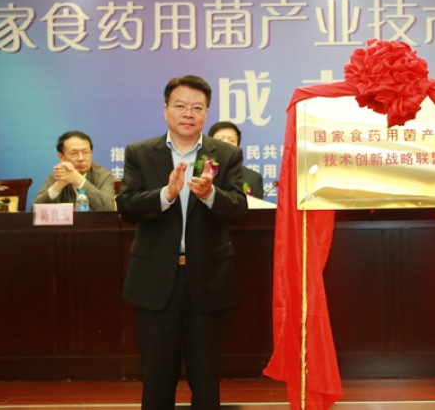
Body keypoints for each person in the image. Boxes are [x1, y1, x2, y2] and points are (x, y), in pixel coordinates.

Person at [117, 75, 248, 409]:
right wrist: (165, 194)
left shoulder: (226, 154)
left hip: (208, 280)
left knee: (206, 378)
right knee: (156, 378)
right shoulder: (140, 153)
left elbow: (238, 209)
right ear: (165, 110)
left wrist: (210, 195)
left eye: (197, 107)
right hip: (155, 282)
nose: (188, 113)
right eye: (180, 106)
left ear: (206, 112)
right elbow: (127, 207)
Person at [31, 131, 115, 211]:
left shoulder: (103, 175)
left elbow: (108, 208)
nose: (81, 158)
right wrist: (58, 186)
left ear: (91, 153)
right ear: (61, 157)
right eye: (74, 153)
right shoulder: (57, 176)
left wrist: (78, 180)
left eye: (85, 152)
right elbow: (34, 210)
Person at [207, 121, 265, 199]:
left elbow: (258, 206)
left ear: (238, 148)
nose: (226, 143)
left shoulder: (253, 178)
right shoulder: (198, 172)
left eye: (231, 140)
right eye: (220, 139)